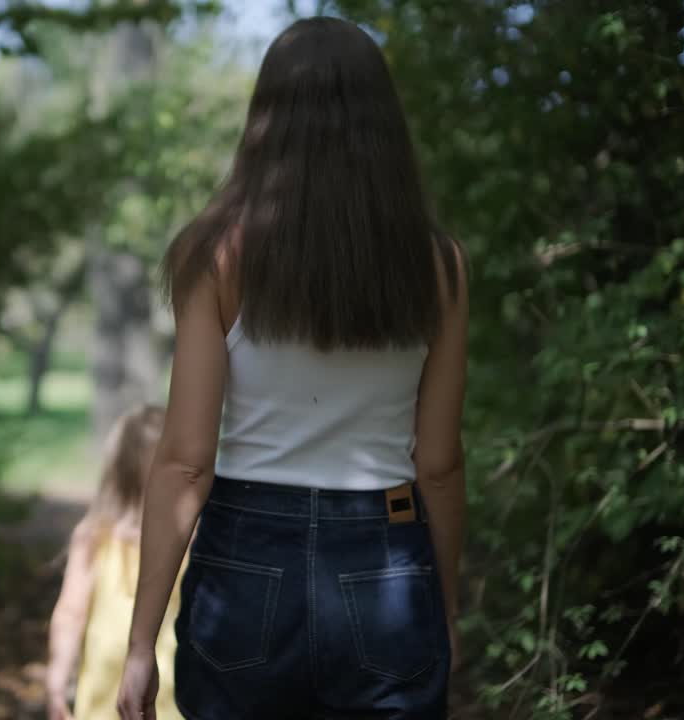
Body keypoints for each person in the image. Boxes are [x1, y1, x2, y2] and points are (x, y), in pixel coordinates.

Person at [117, 16, 468, 720]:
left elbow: (185, 461)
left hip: (245, 564)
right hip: (387, 561)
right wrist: (443, 611)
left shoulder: (214, 252)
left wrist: (138, 643)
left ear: (265, 119)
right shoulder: (438, 263)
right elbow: (438, 465)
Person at [47, 404, 186, 720]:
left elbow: (70, 613)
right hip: (135, 698)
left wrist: (57, 680)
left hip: (138, 699)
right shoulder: (96, 537)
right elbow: (71, 612)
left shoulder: (97, 536)